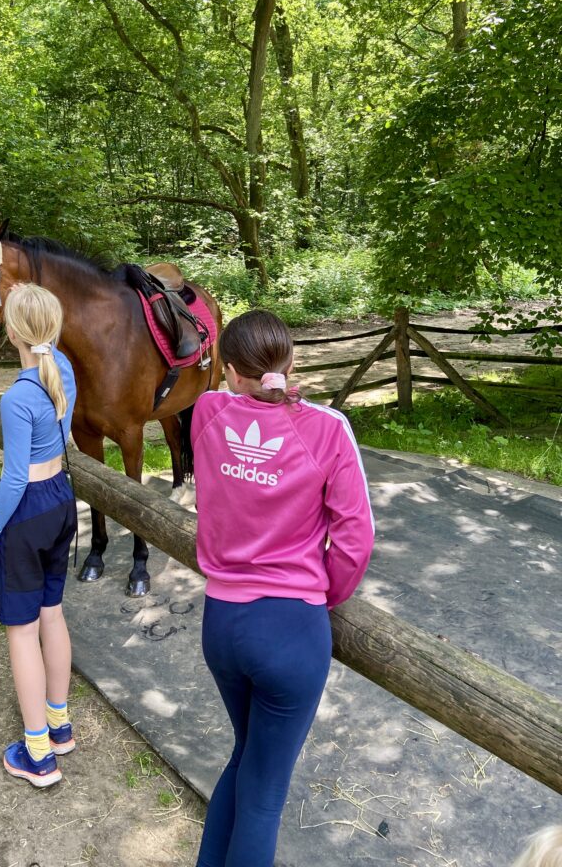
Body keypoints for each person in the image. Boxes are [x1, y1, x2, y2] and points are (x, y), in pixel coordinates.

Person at [190, 309, 375, 867]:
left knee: (245, 758)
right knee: (266, 793)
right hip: (290, 628)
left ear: (228, 369)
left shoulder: (206, 413)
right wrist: (325, 598)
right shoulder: (326, 427)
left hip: (221, 623)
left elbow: (223, 397)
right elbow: (355, 538)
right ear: (290, 361)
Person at [0, 282, 77, 788]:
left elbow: (14, 478)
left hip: (28, 512)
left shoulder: (17, 398)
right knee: (51, 613)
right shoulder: (65, 372)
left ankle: (37, 754)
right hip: (61, 500)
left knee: (21, 631)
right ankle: (59, 725)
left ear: (10, 332)